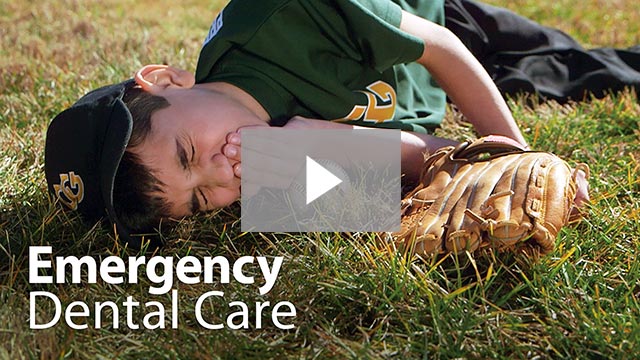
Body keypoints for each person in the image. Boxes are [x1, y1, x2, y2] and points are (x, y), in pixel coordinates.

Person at [45, 0, 614, 246]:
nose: (220, 180)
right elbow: (422, 171)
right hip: (419, 101)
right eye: (198, 201)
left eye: (189, 155)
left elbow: (441, 48)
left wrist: (514, 153)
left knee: (584, 70)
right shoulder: (267, 180)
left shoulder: (285, 16)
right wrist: (329, 146)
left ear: (167, 81)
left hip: (437, 29)